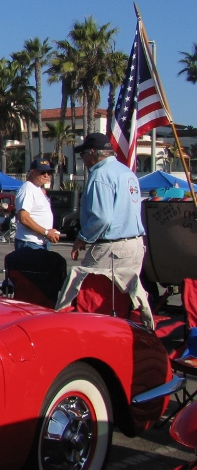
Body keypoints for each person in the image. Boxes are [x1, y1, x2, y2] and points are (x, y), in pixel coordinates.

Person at [55, 132, 154, 327]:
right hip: (134, 244)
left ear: (93, 152)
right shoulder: (127, 172)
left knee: (94, 298)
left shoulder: (101, 174)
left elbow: (102, 218)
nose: (82, 159)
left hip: (112, 248)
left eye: (83, 154)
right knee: (126, 300)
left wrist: (82, 238)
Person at [15, 159, 60, 250]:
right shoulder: (27, 189)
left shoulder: (37, 189)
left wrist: (49, 231)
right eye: (43, 172)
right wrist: (46, 232)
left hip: (39, 242)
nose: (46, 175)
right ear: (32, 172)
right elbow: (24, 218)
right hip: (29, 243)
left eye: (49, 172)